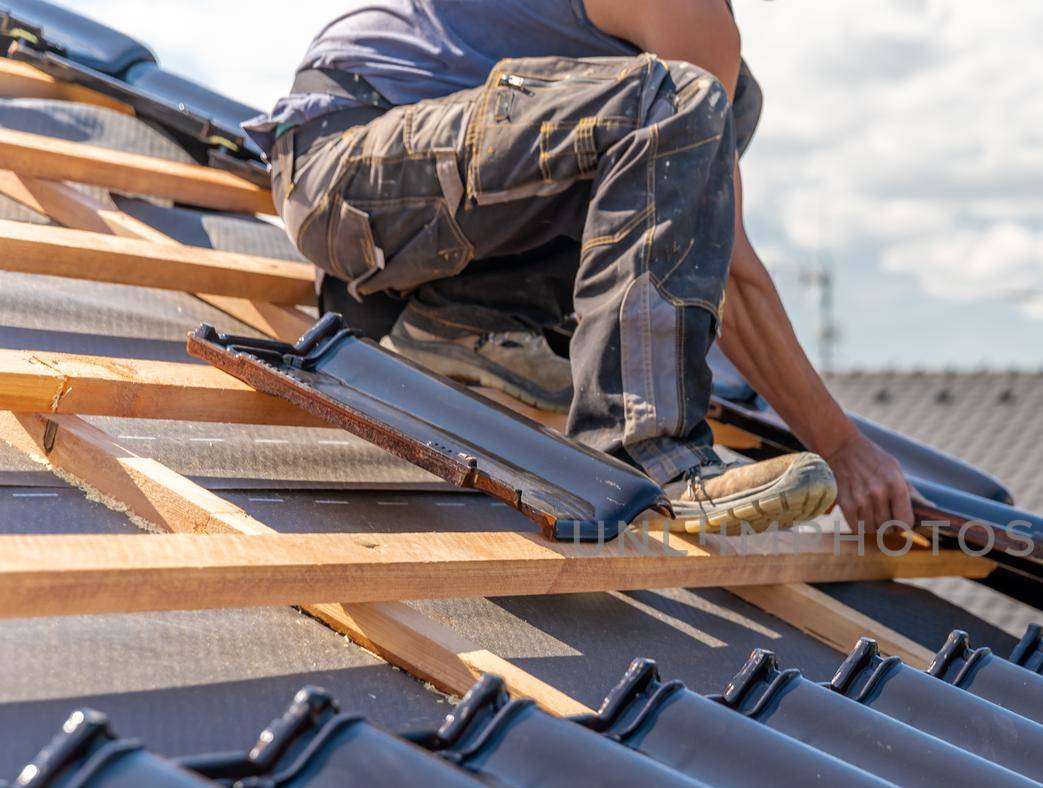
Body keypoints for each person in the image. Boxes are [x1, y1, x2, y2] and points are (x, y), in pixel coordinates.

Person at [246, 0, 915, 535]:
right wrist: (842, 445)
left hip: (402, 203)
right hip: (345, 167)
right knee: (684, 103)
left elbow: (694, 226)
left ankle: (452, 320)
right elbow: (729, 273)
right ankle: (652, 447)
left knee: (725, 107)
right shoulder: (687, 14)